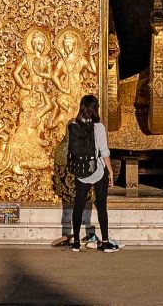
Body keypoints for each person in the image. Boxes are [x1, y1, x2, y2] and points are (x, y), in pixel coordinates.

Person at [64, 94, 120, 252]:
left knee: (78, 206)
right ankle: (105, 242)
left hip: (80, 172)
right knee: (101, 206)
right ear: (96, 108)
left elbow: (69, 148)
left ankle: (75, 242)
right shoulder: (99, 126)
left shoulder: (73, 124)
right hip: (97, 170)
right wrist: (110, 171)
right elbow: (104, 152)